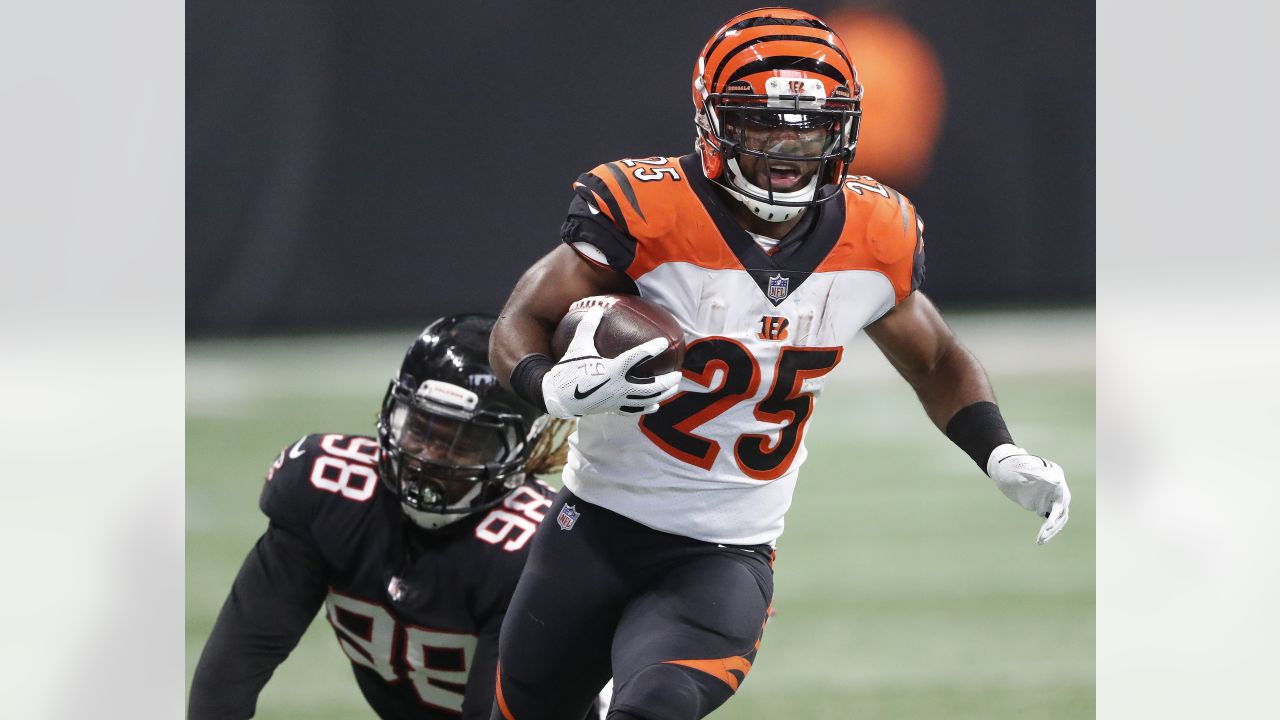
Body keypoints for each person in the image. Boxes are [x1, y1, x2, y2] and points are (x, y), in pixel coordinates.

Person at [486, 7, 1072, 720]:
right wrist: (548, 384)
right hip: (593, 527)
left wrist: (997, 449)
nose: (790, 147)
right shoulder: (646, 209)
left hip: (724, 552)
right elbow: (522, 322)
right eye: (764, 122)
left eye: (812, 124)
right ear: (714, 122)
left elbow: (937, 358)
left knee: (654, 708)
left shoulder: (875, 232)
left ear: (845, 129)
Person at [189, 314, 599, 720]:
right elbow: (234, 667)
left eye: (463, 443)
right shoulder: (327, 492)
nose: (428, 457)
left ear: (517, 450)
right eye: (420, 429)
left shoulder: (532, 549)